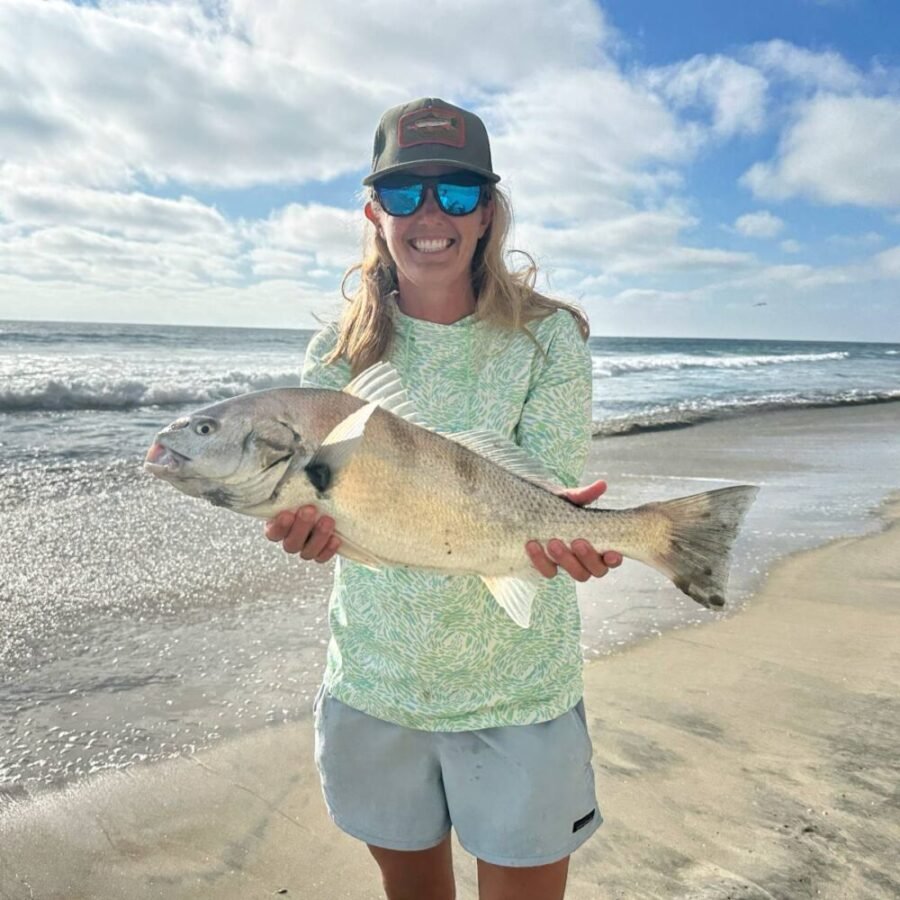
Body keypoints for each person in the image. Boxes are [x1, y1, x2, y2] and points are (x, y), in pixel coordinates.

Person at [265, 98, 622, 900]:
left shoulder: (548, 339)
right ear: (374, 212)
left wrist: (569, 529)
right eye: (403, 195)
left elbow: (543, 493)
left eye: (456, 194)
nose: (430, 215)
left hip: (519, 686)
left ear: (489, 212)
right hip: (376, 683)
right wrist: (311, 529)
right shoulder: (335, 355)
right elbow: (325, 504)